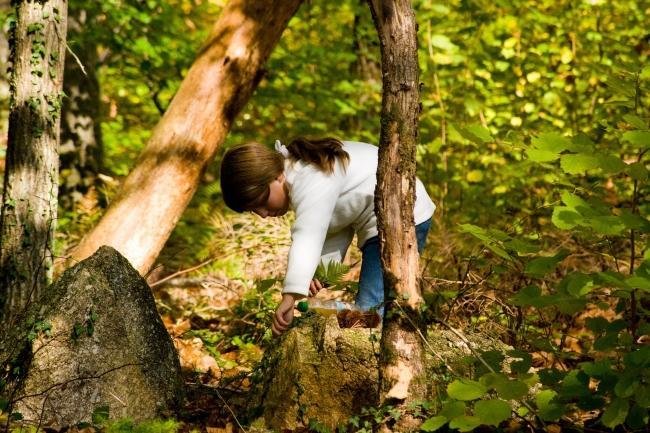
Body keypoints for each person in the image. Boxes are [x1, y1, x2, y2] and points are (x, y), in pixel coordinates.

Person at [220, 137, 435, 336]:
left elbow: (308, 236)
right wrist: (321, 272)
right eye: (254, 210)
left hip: (404, 216)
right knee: (375, 311)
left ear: (277, 176)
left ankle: (397, 354)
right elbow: (337, 225)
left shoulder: (309, 177)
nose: (264, 214)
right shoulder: (300, 174)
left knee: (370, 314)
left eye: (262, 201)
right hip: (384, 223)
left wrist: (290, 295)